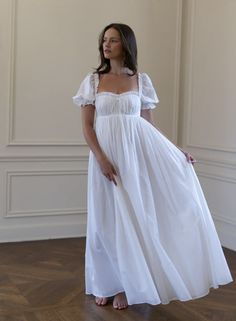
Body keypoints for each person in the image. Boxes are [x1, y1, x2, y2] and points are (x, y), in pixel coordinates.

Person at [73, 23, 233, 310]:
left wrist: (175, 152)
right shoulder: (93, 81)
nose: (106, 45)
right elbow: (87, 127)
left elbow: (148, 127)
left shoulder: (141, 81)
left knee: (133, 220)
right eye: (104, 40)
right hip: (105, 160)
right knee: (104, 222)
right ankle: (105, 284)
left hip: (135, 159)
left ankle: (128, 285)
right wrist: (101, 158)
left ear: (127, 45)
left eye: (113, 40)